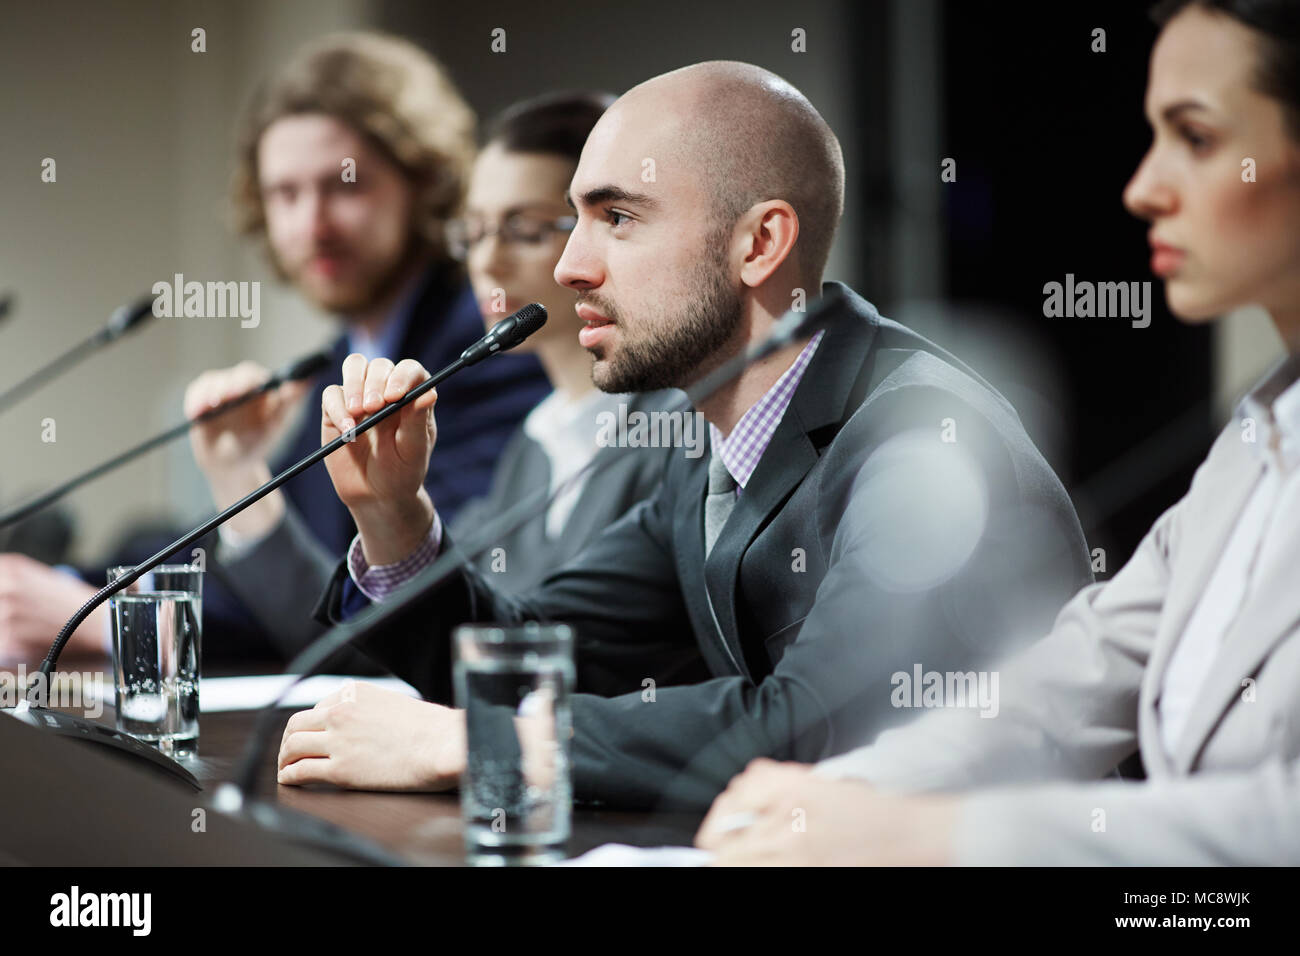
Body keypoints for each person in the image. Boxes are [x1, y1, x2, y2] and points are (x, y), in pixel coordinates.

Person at [275, 61, 1093, 810]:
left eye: (618, 218)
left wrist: (475, 743)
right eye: (574, 219)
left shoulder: (926, 444)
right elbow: (530, 659)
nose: (569, 268)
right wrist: (393, 518)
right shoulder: (699, 442)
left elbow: (812, 729)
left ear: (760, 244)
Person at [696, 0, 1300, 864]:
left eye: (1195, 138)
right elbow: (1082, 674)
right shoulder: (1261, 437)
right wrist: (856, 789)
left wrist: (925, 836)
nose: (1142, 188)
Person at [0, 33, 551, 667]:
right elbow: (262, 579)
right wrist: (72, 589)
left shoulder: (483, 349)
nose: (312, 224)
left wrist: (120, 628)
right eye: (285, 194)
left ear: (421, 185)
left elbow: (401, 619)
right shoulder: (347, 352)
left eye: (344, 186)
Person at [445, 91, 686, 591]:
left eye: (526, 229)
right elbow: (414, 619)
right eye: (474, 231)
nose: (487, 261)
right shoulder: (534, 443)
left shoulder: (679, 431)